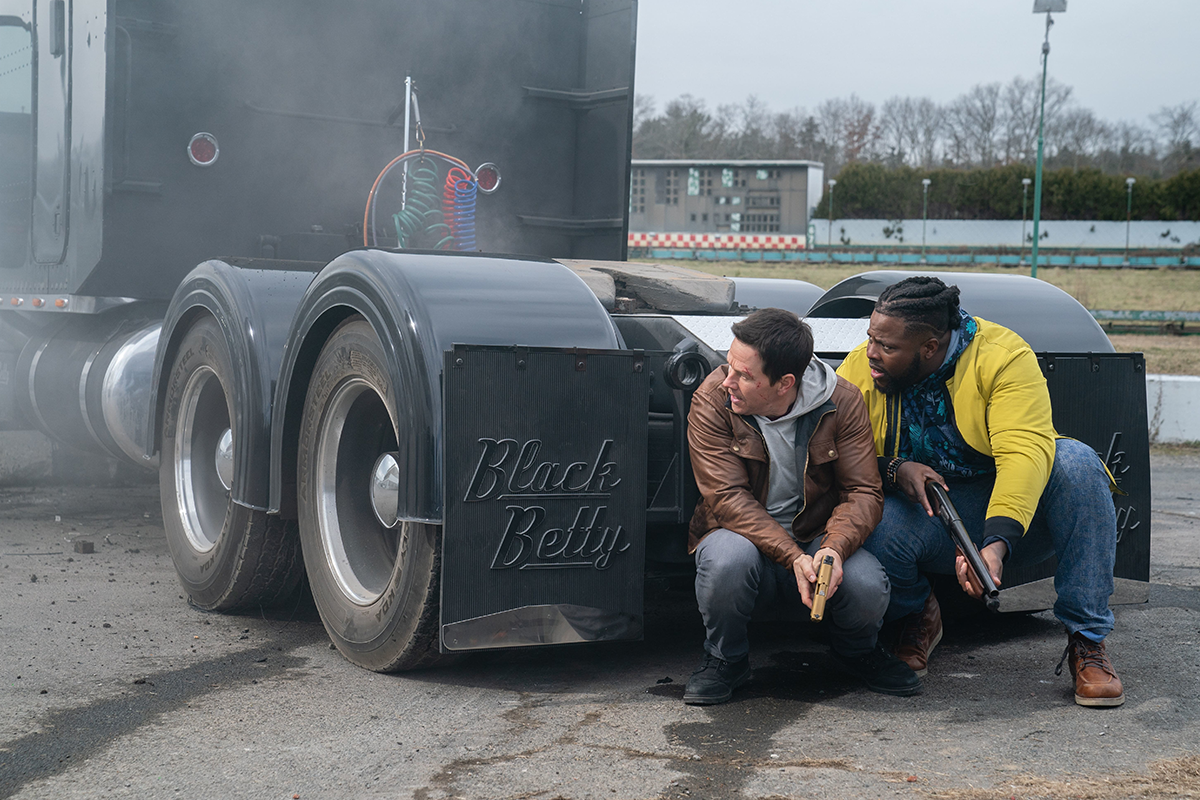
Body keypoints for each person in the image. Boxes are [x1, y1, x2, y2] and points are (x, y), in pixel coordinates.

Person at [836, 276, 1125, 707]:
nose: (871, 353)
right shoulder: (862, 368)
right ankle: (919, 615)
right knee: (875, 524)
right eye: (870, 339)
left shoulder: (1004, 356)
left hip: (1013, 518)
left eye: (888, 346)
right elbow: (837, 456)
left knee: (1078, 465)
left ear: (930, 347)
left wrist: (996, 544)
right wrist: (895, 469)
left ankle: (1087, 639)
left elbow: (1024, 454)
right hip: (935, 513)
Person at [683, 307, 920, 705]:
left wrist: (834, 548)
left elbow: (863, 490)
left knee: (865, 583)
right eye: (729, 367)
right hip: (738, 533)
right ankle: (726, 658)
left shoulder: (842, 401)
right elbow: (726, 498)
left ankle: (858, 650)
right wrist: (792, 556)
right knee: (725, 561)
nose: (728, 382)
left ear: (784, 383)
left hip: (816, 534)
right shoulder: (712, 399)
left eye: (744, 375)